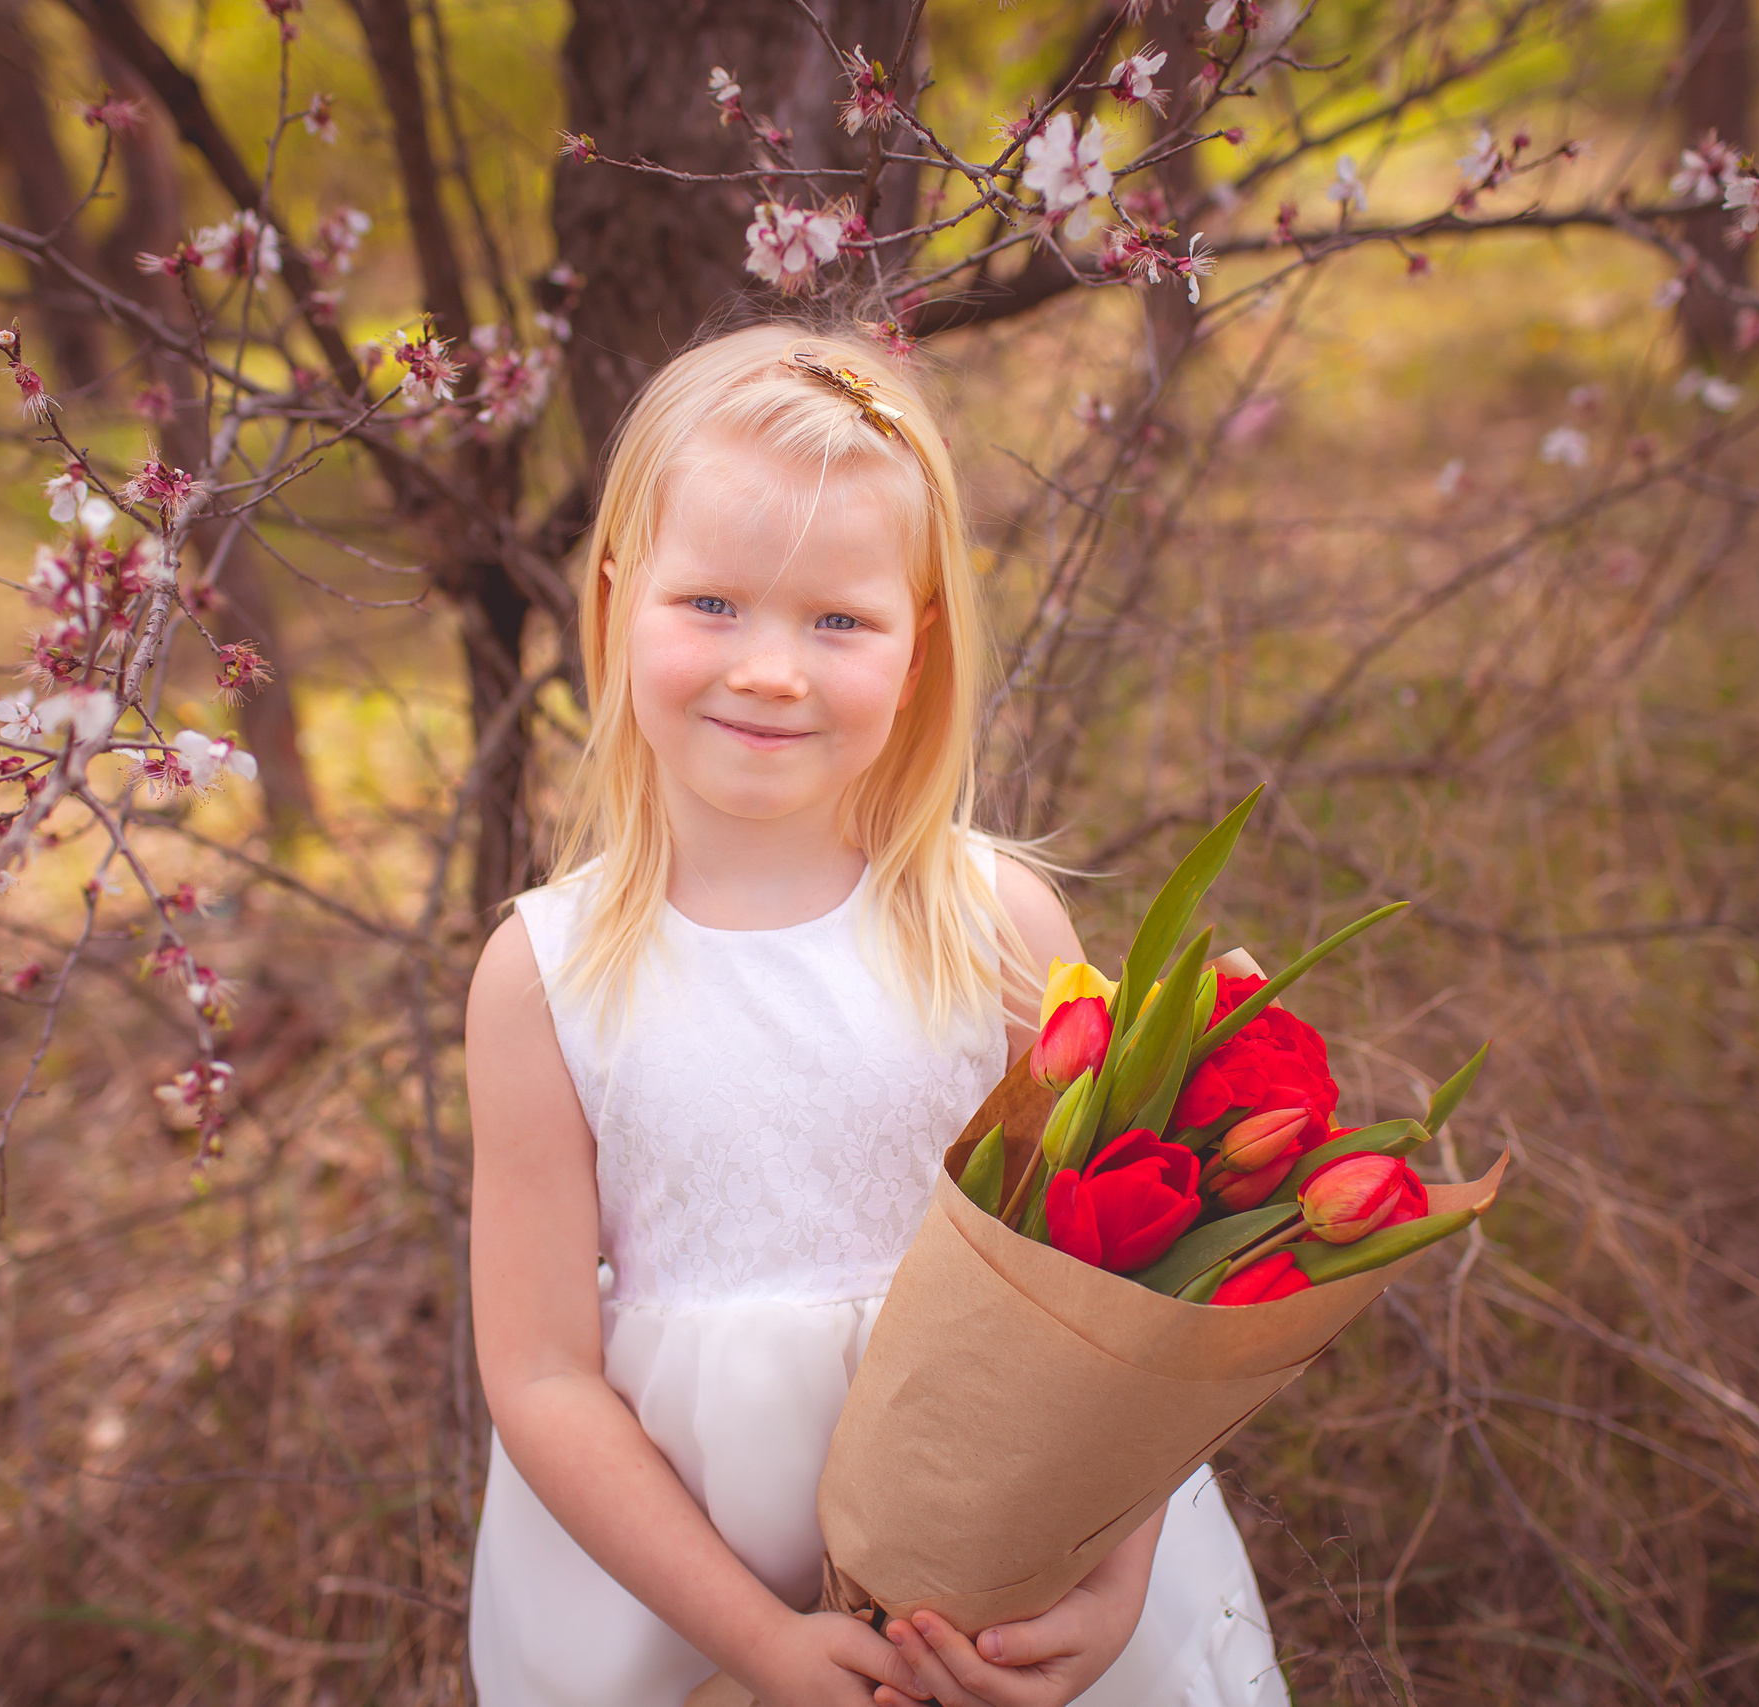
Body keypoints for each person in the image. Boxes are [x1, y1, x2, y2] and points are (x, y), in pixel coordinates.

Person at [465, 323, 1287, 1707]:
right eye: (712, 604)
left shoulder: (1001, 930)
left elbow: (1117, 1297)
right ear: (613, 604)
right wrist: (763, 1641)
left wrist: (1112, 1577)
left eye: (838, 620)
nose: (772, 670)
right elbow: (542, 1373)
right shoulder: (546, 975)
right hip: (700, 1598)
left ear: (917, 652)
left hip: (1015, 1579)